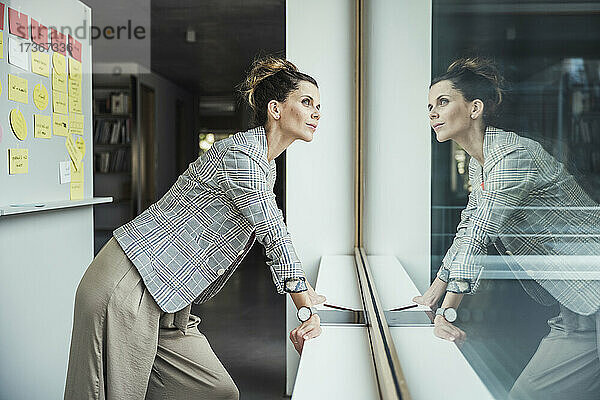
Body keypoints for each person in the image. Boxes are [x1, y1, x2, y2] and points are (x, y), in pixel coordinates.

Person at [64, 56, 326, 400]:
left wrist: (305, 289)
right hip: (130, 283)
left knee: (217, 391)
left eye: (318, 105)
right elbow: (272, 231)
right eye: (306, 102)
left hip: (170, 298)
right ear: (276, 109)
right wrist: (303, 304)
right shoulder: (241, 155)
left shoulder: (265, 165)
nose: (316, 112)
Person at [414, 57, 600, 399]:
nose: (432, 113)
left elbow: (479, 235)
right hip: (579, 308)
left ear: (475, 108)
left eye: (442, 102)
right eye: (429, 106)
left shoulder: (513, 155)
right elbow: (468, 226)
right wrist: (431, 295)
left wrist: (448, 311)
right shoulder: (480, 163)